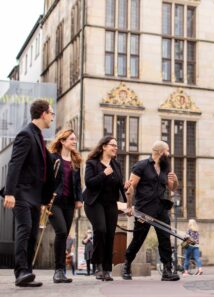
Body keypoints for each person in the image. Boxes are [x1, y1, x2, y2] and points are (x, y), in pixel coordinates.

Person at [2, 99, 55, 287]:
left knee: (32, 234)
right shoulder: (26, 134)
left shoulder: (38, 136)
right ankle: (21, 272)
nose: (52, 117)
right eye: (51, 113)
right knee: (24, 230)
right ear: (43, 114)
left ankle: (27, 273)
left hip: (34, 196)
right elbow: (15, 164)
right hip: (21, 193)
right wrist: (9, 193)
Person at [122, 140, 180, 281]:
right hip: (144, 209)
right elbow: (131, 187)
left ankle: (167, 270)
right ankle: (127, 264)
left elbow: (172, 188)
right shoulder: (141, 166)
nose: (169, 153)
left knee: (165, 238)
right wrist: (129, 206)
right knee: (138, 239)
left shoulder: (165, 168)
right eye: (167, 150)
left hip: (161, 208)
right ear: (160, 151)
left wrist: (176, 180)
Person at [83, 136, 128, 281]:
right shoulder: (92, 163)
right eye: (112, 145)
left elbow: (120, 186)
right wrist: (103, 174)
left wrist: (128, 203)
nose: (115, 147)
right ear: (103, 147)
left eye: (116, 145)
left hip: (110, 204)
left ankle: (107, 269)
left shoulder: (116, 165)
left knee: (110, 235)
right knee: (100, 230)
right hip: (94, 203)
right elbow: (89, 183)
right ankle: (98, 266)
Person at [48, 128, 83, 283]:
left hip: (69, 203)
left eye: (75, 139)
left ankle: (62, 271)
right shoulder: (53, 158)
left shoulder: (75, 161)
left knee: (64, 235)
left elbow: (78, 183)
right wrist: (44, 200)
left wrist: (79, 199)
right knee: (61, 232)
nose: (74, 141)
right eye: (71, 139)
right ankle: (58, 270)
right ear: (62, 141)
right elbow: (47, 180)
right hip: (54, 201)